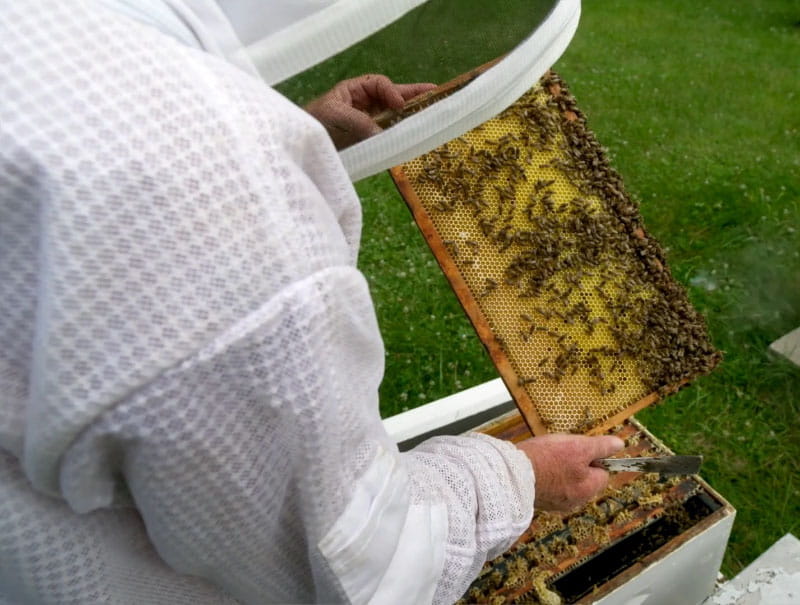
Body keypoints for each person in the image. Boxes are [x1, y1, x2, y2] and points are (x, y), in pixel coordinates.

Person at [0, 2, 624, 604]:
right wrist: (520, 480)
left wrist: (294, 133)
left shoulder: (44, 44)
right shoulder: (211, 227)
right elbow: (361, 570)